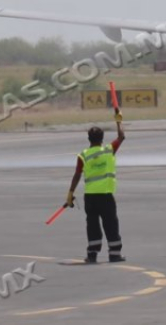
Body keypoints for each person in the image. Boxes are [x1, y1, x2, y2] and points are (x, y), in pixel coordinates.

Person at [66, 113, 126, 264]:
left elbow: (77, 175)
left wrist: (70, 193)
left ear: (88, 139)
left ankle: (92, 255)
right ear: (102, 138)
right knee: (111, 224)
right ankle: (114, 254)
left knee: (92, 226)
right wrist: (119, 121)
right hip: (105, 195)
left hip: (90, 197)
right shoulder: (108, 150)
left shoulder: (83, 155)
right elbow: (121, 137)